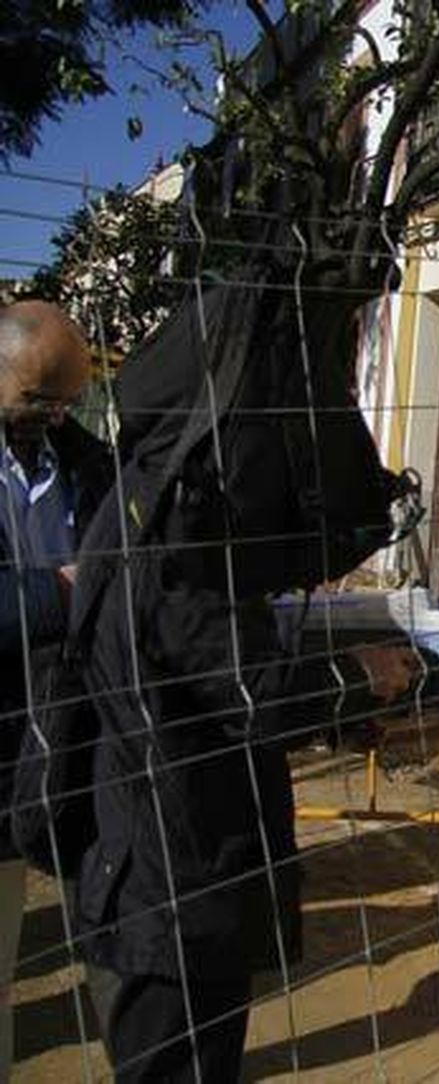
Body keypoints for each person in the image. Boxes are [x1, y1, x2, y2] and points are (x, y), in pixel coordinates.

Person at [66, 281, 423, 1081]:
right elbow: (250, 690)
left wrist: (337, 706)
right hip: (169, 878)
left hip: (173, 855)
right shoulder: (174, 538)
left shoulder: (148, 500)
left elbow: (211, 684)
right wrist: (356, 677)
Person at [0, 301, 112, 1084]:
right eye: (39, 397)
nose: (54, 415)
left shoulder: (86, 462)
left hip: (70, 736)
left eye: (68, 400)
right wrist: (60, 592)